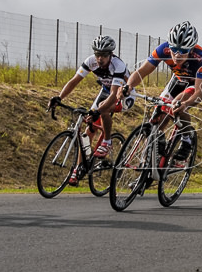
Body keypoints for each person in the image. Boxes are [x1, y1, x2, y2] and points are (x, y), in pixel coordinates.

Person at [49, 35, 137, 181]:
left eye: (103, 55)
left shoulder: (118, 65)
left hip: (124, 94)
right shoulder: (90, 62)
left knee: (103, 109)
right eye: (97, 55)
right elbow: (74, 81)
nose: (100, 58)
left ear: (111, 54)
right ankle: (78, 169)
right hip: (106, 91)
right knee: (88, 130)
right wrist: (59, 97)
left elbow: (115, 95)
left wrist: (98, 112)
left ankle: (107, 142)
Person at [122, 21, 202, 160]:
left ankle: (186, 139)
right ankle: (154, 150)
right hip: (179, 78)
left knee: (178, 105)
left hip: (197, 82)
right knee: (161, 106)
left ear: (191, 49)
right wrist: (128, 86)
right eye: (174, 49)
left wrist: (185, 104)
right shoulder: (162, 49)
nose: (177, 55)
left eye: (183, 51)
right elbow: (142, 71)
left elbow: (199, 92)